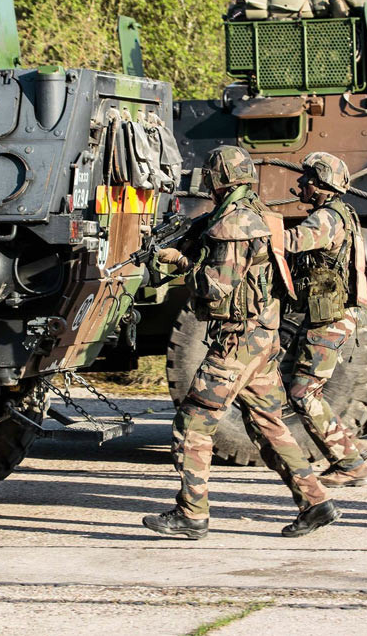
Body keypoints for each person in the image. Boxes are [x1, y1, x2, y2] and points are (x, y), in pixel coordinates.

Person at [143, 145, 339, 539]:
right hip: (260, 340)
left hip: (238, 342)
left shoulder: (232, 224)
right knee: (269, 425)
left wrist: (179, 263)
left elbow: (218, 287)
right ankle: (316, 502)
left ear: (217, 179)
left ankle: (191, 513)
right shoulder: (255, 215)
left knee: (192, 422)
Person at [283, 151, 367, 487]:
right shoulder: (341, 213)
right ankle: (351, 447)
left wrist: (257, 227)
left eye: (307, 178)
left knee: (304, 392)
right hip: (332, 314)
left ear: (321, 183)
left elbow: (294, 242)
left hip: (330, 318)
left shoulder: (325, 219)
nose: (301, 184)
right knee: (300, 383)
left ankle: (349, 462)